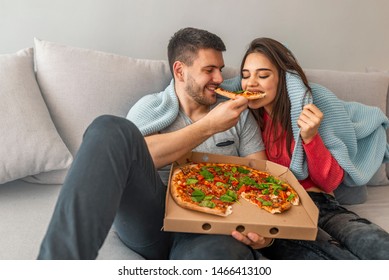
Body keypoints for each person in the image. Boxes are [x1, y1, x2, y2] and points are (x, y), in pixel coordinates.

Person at [37, 27, 272, 260]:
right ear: (180, 71)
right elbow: (130, 161)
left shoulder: (238, 114)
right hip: (151, 221)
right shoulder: (150, 107)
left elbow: (262, 178)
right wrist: (209, 126)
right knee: (109, 128)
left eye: (220, 69)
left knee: (219, 256)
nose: (220, 79)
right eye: (209, 70)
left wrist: (266, 236)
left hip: (212, 229)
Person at [224, 37, 389, 259]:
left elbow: (330, 182)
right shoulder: (247, 119)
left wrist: (311, 138)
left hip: (323, 204)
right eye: (245, 76)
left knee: (379, 248)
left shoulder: (310, 108)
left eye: (263, 75)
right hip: (281, 211)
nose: (251, 83)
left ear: (283, 78)